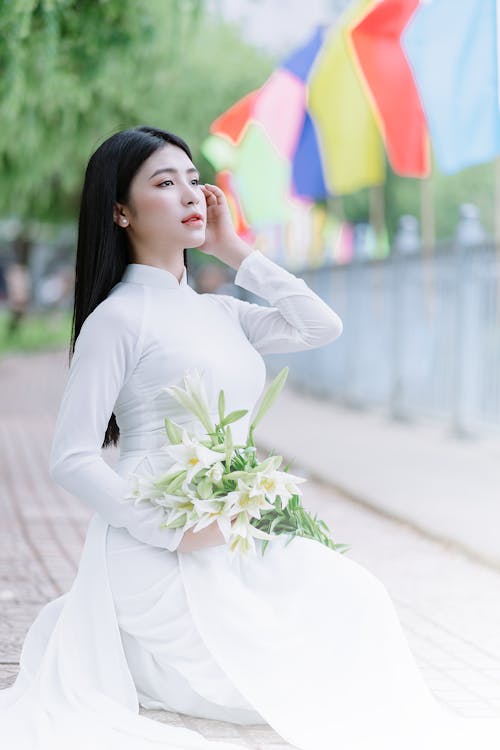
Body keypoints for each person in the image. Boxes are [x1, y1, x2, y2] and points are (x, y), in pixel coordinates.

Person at [0, 125, 499, 750]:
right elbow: (70, 457)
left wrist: (234, 250)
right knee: (266, 682)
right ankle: (134, 650)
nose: (188, 193)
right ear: (121, 211)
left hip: (233, 536)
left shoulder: (219, 311)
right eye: (163, 182)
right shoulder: (119, 318)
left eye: (191, 178)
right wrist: (172, 530)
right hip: (154, 552)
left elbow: (321, 325)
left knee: (358, 602)